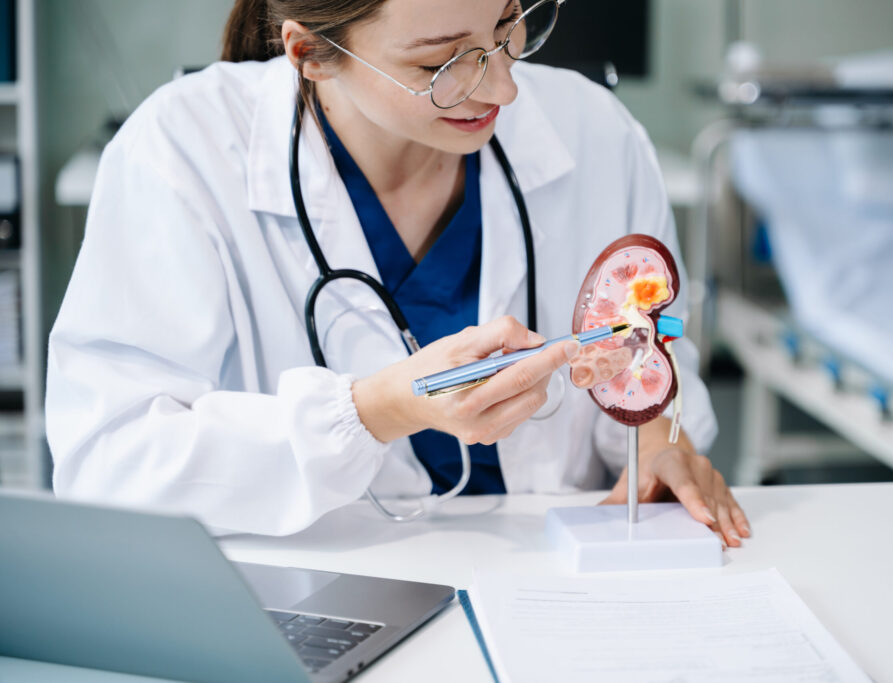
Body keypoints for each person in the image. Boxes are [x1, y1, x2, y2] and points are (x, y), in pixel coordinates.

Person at [46, 0, 750, 545]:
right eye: (441, 66)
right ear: (310, 55)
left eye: (507, 26)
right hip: (314, 602)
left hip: (556, 592)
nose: (504, 87)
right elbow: (109, 466)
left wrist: (658, 442)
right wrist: (372, 410)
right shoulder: (183, 152)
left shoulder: (594, 130)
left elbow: (650, 354)